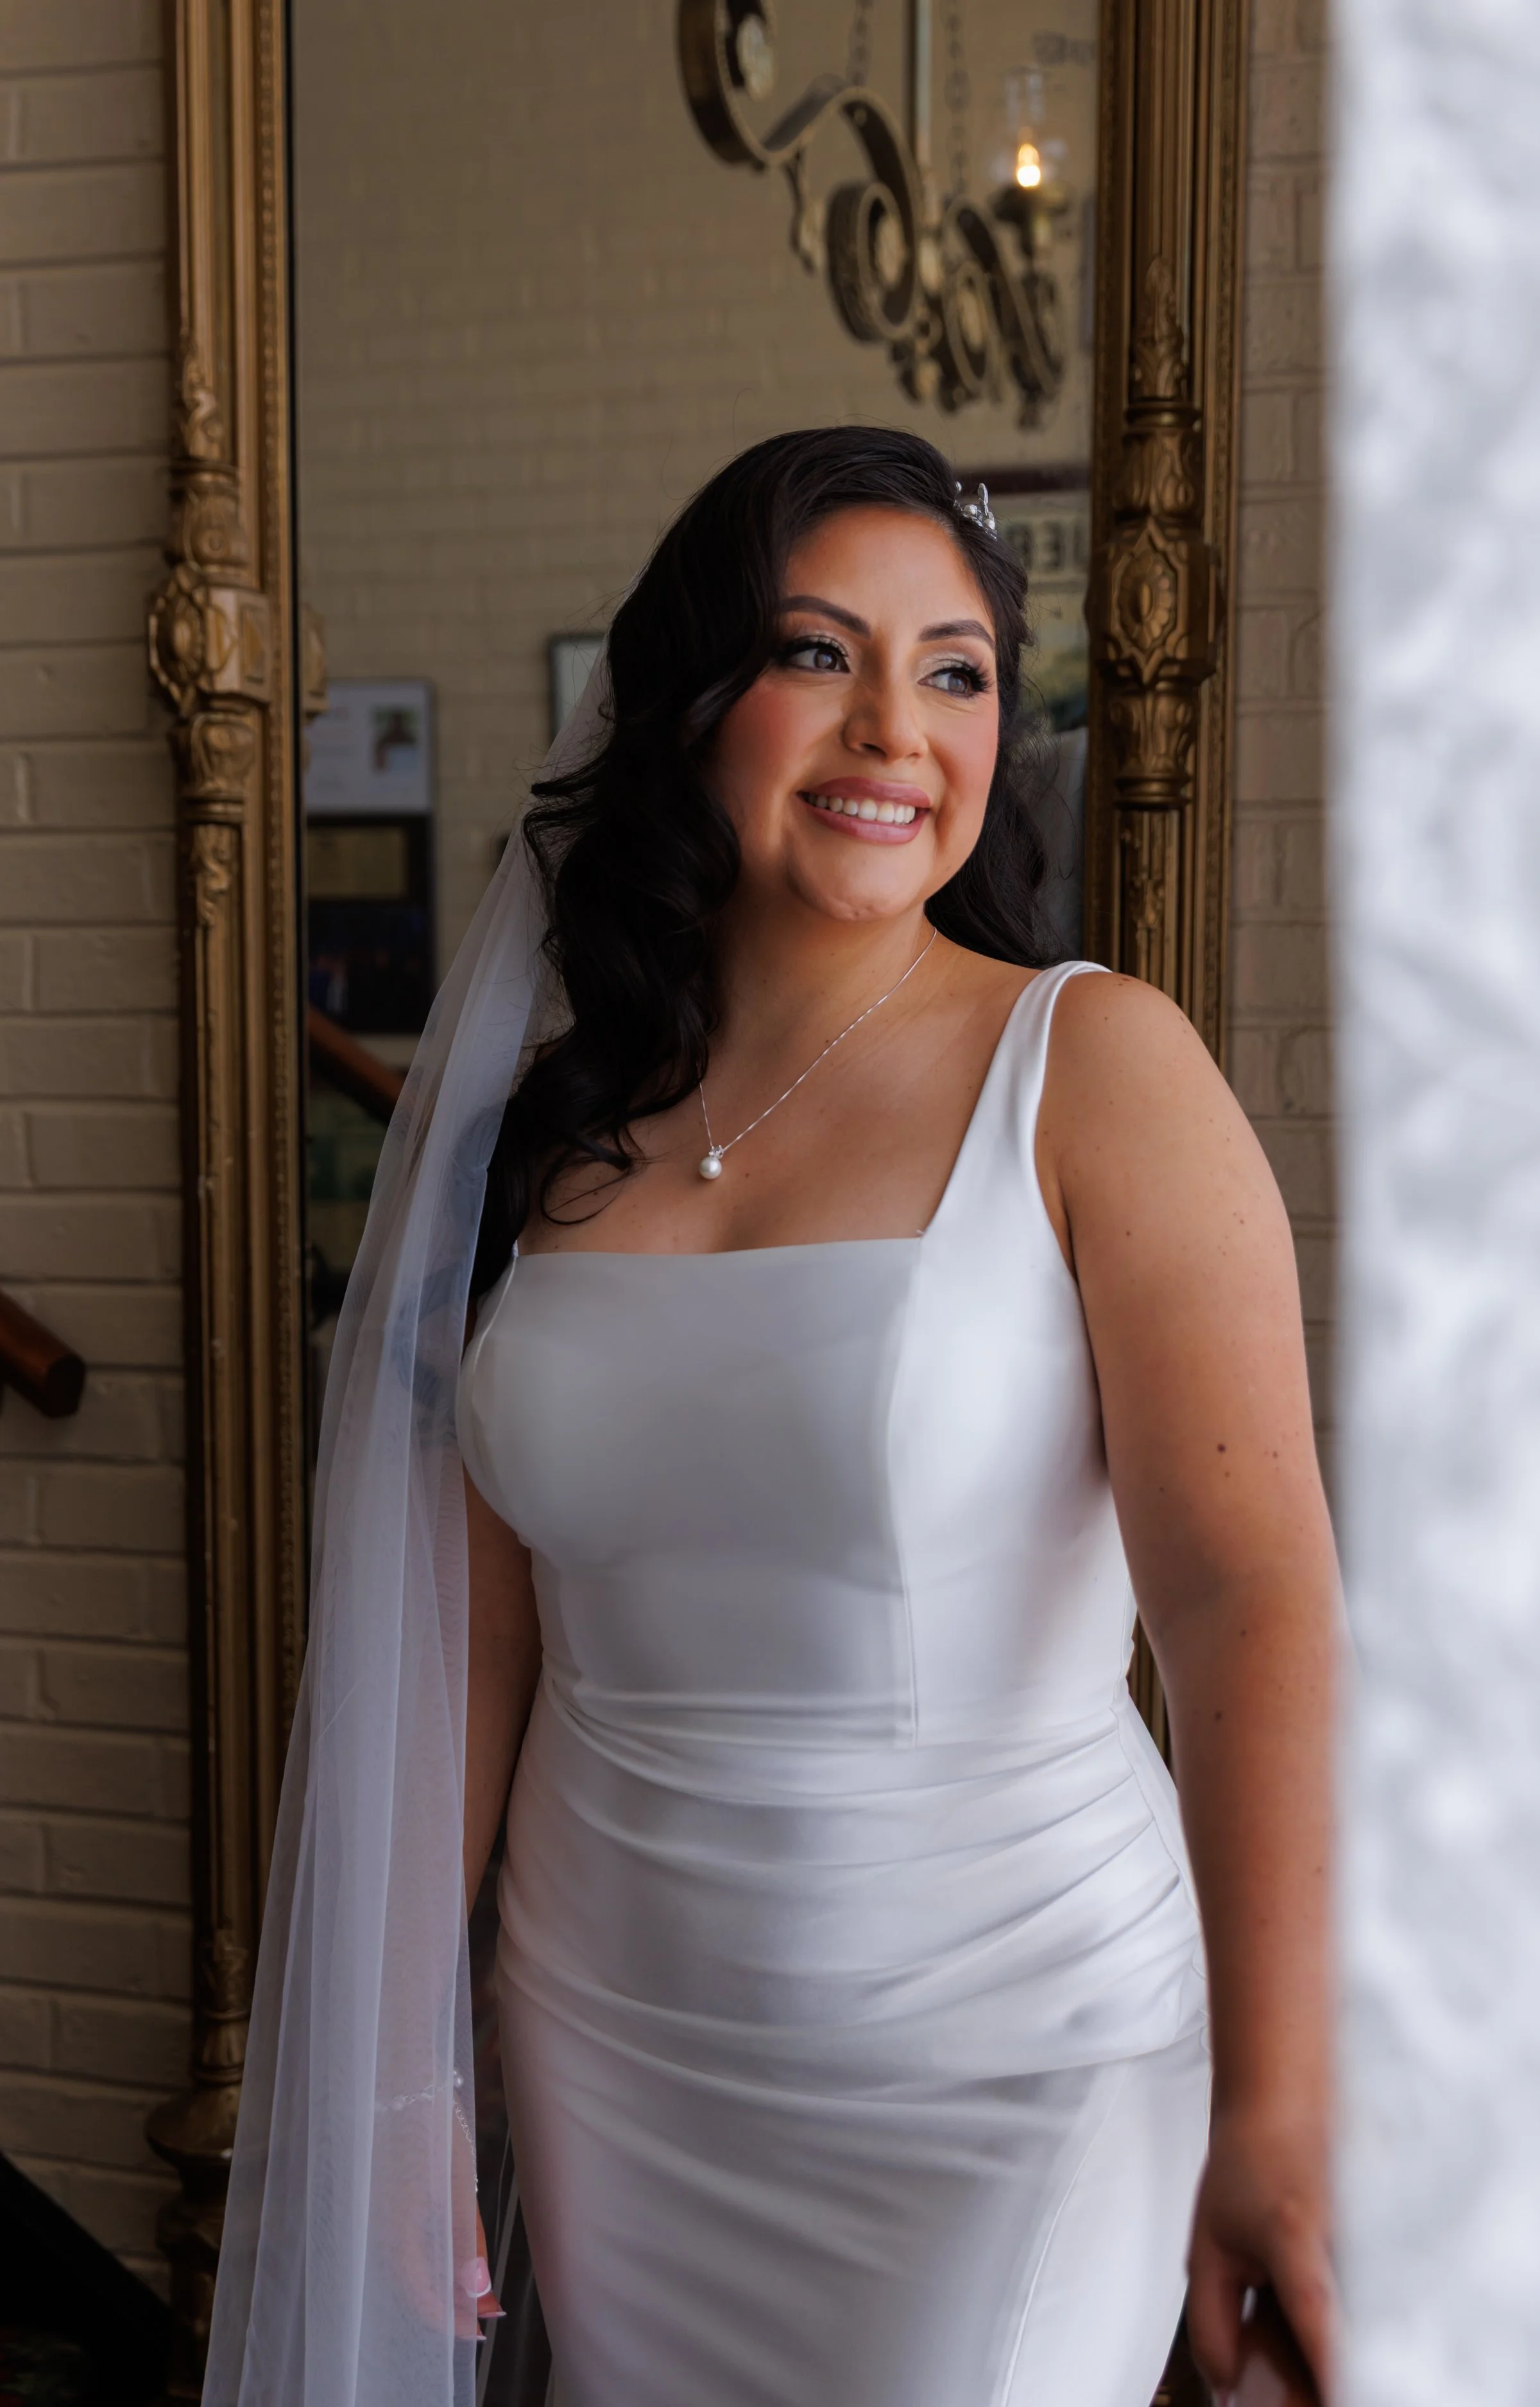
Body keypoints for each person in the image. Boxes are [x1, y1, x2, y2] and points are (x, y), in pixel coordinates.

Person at [205, 428, 1333, 2407]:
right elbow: (470, 1650)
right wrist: (394, 2073)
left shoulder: (1092, 1068)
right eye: (819, 653)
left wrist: (1278, 2102)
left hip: (1011, 2054)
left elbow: (1249, 1599)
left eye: (954, 670)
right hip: (612, 2044)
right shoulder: (549, 1137)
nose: (893, 726)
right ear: (688, 700)